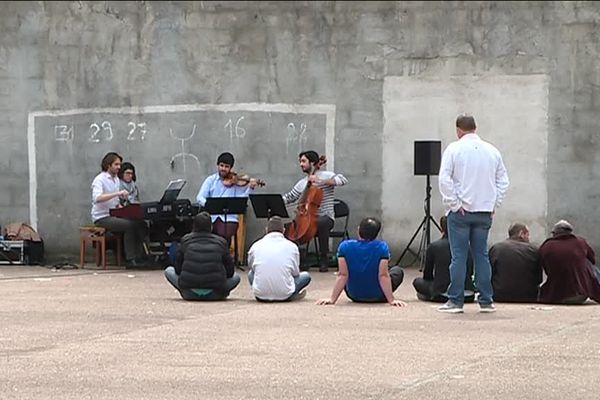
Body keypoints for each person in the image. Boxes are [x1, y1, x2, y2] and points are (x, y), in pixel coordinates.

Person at [438, 114, 510, 313]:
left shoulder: (454, 149)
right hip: (484, 211)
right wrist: (494, 203)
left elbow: (444, 179)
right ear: (475, 128)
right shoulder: (492, 150)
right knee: (482, 256)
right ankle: (486, 300)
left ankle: (456, 300)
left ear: (458, 130)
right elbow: (503, 181)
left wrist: (454, 203)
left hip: (461, 211)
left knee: (459, 257)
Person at [316, 217, 406, 306]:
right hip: (378, 296)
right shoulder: (382, 247)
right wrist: (391, 300)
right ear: (376, 234)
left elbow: (343, 275)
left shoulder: (344, 246)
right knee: (397, 270)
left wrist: (332, 299)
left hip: (353, 295)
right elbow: (383, 275)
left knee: (345, 271)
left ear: (359, 230)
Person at [283, 150, 348, 272]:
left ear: (312, 162)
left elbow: (342, 180)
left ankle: (324, 258)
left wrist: (320, 181)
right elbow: (290, 197)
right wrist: (276, 201)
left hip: (326, 217)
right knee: (289, 228)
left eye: (303, 161)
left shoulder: (326, 175)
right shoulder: (302, 183)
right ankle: (299, 259)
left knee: (321, 222)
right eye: (300, 161)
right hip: (306, 217)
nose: (301, 164)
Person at [164, 211, 241, 301]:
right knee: (236, 277)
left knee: (168, 271)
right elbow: (230, 271)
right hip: (215, 292)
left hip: (189, 292)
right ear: (211, 227)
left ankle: (187, 291)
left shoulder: (185, 240)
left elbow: (177, 268)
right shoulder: (221, 242)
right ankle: (221, 293)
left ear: (193, 226)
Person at [91, 152, 147, 267]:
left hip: (113, 214)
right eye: (116, 164)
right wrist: (117, 193)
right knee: (128, 226)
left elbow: (115, 202)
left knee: (140, 223)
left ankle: (141, 255)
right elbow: (97, 198)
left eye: (119, 165)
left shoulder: (116, 179)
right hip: (102, 217)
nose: (119, 167)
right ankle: (130, 259)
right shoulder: (99, 179)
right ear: (108, 165)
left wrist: (125, 209)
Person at [196, 152, 258, 246]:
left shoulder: (236, 182)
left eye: (226, 166)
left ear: (230, 168)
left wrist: (250, 188)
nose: (223, 169)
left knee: (223, 234)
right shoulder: (210, 180)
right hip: (212, 218)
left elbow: (241, 200)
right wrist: (210, 205)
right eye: (221, 165)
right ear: (218, 165)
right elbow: (200, 197)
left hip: (230, 219)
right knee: (204, 232)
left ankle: (223, 256)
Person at [247, 216, 311, 302]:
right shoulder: (292, 247)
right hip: (285, 294)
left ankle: (262, 292)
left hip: (261, 295)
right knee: (306, 276)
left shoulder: (255, 246)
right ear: (284, 231)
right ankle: (290, 294)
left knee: (251, 274)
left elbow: (251, 266)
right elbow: (296, 273)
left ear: (266, 230)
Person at [412, 216, 475, 303]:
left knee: (417, 282)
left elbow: (427, 275)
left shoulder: (434, 246)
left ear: (442, 229)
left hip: (441, 294)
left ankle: (429, 295)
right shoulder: (467, 246)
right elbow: (470, 271)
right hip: (468, 294)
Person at [538, 220, 600, 304]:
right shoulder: (580, 242)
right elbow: (592, 259)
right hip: (581, 294)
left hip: (556, 296)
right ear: (570, 232)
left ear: (554, 233)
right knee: (590, 265)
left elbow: (546, 269)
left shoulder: (546, 246)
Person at [489, 223, 542, 303]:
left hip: (500, 295)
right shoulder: (534, 250)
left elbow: (489, 273)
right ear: (521, 234)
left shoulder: (496, 248)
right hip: (528, 296)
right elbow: (538, 278)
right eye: (528, 234)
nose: (529, 238)